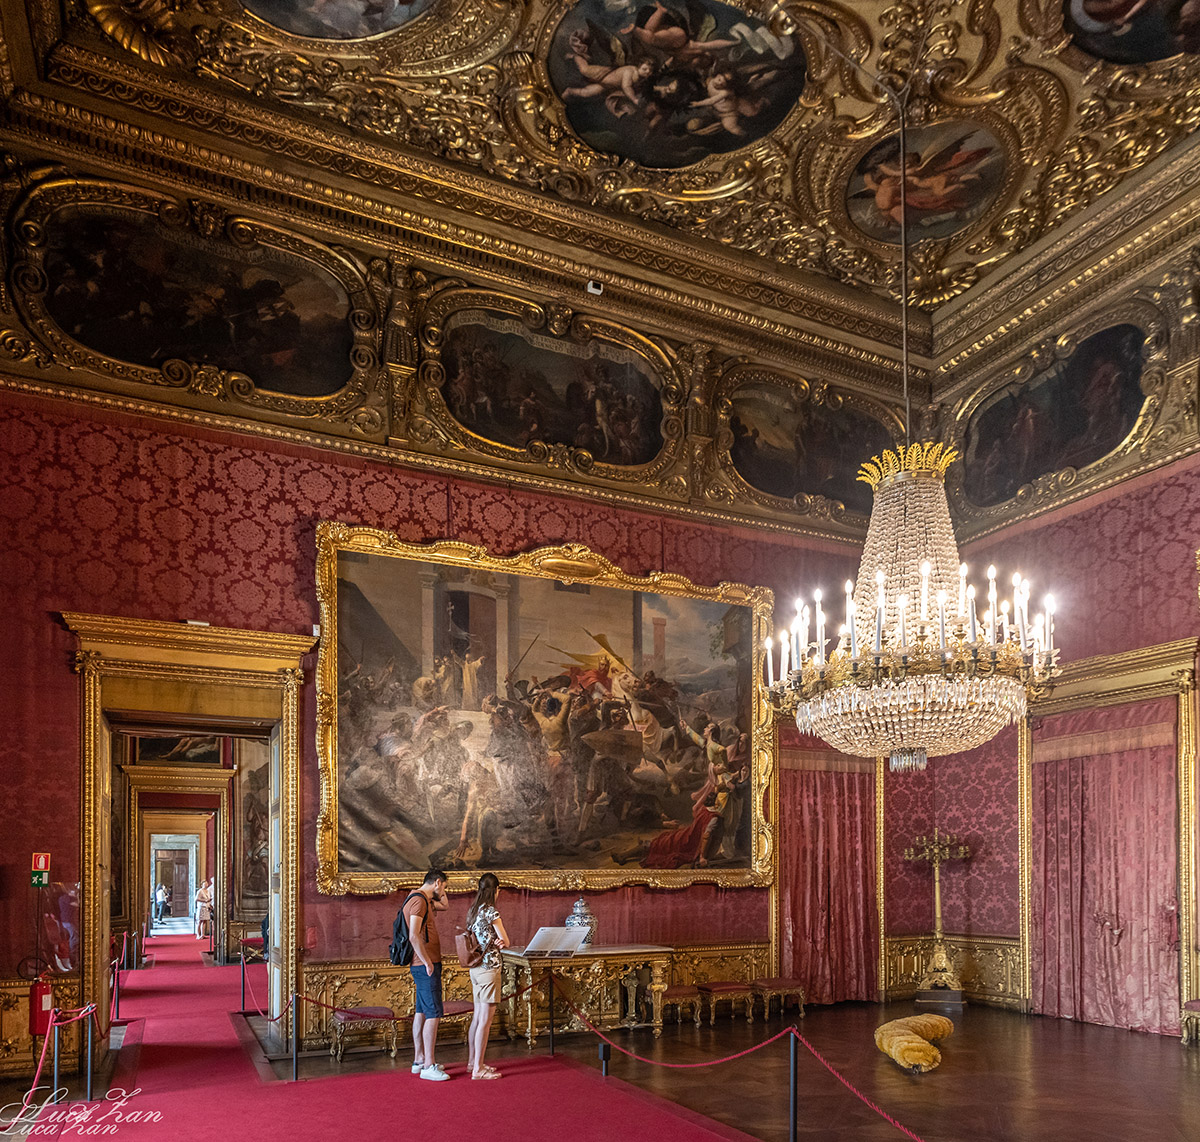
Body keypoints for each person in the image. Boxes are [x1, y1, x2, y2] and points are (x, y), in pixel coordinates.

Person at [405, 868, 450, 1081]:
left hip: (424, 963)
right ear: (437, 882)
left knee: (422, 1011)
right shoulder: (419, 901)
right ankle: (429, 1065)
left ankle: (419, 1060)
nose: (444, 891)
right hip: (424, 964)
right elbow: (414, 935)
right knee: (433, 1013)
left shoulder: (424, 899)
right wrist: (427, 962)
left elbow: (445, 905)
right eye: (444, 886)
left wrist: (440, 891)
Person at [464, 873, 510, 1080]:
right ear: (496, 890)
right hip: (489, 969)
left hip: (475, 968)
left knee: (477, 1017)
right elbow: (505, 940)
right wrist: (501, 942)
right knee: (485, 1020)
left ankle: (473, 1062)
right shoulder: (491, 911)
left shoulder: (473, 911)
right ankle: (478, 1069)